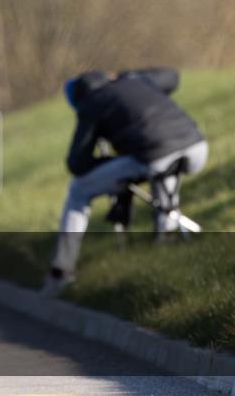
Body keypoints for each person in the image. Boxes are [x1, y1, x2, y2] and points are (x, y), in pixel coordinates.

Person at [41, 67, 208, 297]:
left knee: (79, 189)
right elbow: (172, 76)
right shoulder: (136, 82)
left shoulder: (91, 103)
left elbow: (76, 164)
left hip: (156, 156)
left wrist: (107, 161)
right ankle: (165, 239)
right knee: (159, 166)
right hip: (198, 147)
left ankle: (61, 271)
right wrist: (127, 75)